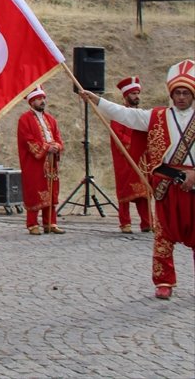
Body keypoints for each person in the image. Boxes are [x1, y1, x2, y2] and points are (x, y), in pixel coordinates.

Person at [85, 59, 195, 300]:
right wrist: (98, 101)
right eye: (177, 92)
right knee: (164, 234)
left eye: (186, 93)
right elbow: (127, 115)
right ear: (171, 94)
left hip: (194, 184)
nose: (181, 97)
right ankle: (164, 280)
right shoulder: (157, 117)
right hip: (168, 184)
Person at [17, 87, 66, 235]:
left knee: (51, 190)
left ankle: (50, 222)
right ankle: (32, 223)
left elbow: (58, 138)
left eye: (43, 98)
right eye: (39, 99)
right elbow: (28, 141)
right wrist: (46, 148)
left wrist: (57, 146)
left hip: (51, 163)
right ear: (31, 101)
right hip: (34, 163)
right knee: (35, 191)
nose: (42, 101)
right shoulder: (24, 119)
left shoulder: (51, 119)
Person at [109, 76, 152, 233]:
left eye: (137, 93)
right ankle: (125, 223)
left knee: (143, 191)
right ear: (126, 96)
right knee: (125, 191)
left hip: (140, 159)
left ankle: (147, 222)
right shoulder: (118, 115)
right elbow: (119, 136)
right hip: (125, 159)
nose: (136, 97)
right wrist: (135, 146)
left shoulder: (141, 114)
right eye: (133, 94)